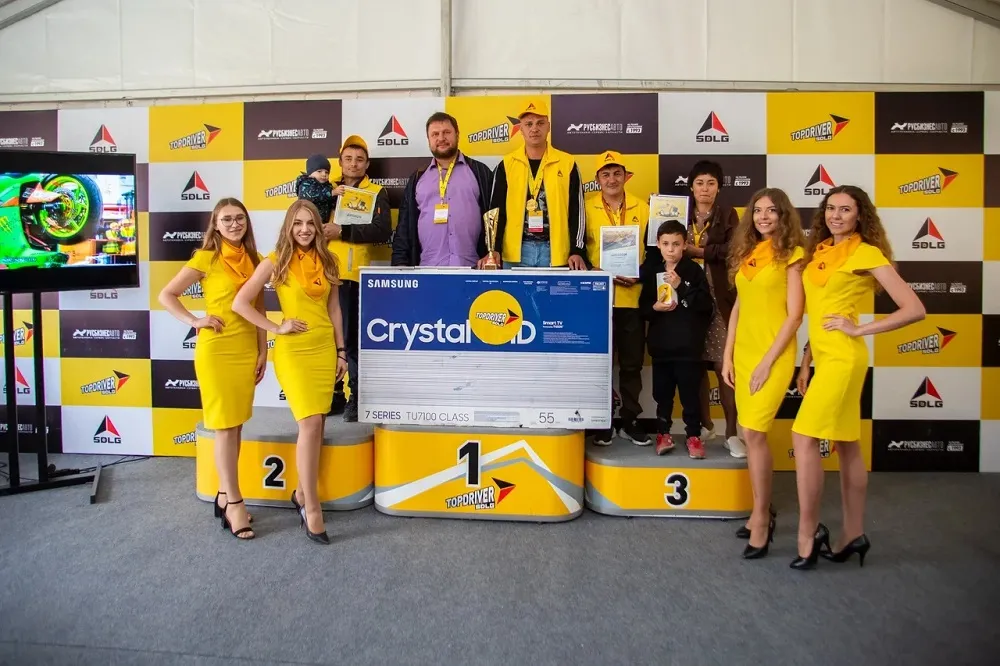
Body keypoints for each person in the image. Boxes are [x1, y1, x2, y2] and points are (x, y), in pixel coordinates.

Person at [790, 185, 924, 570]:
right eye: (830, 208)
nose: (835, 215)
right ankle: (853, 534)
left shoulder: (866, 252)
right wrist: (806, 361)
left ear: (860, 215)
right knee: (848, 445)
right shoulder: (820, 252)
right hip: (824, 357)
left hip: (845, 360)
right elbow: (819, 313)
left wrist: (859, 329)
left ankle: (808, 534)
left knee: (803, 437)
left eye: (845, 209)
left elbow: (914, 308)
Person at [232, 200, 348, 546]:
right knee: (310, 424)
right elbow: (240, 303)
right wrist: (275, 327)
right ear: (288, 226)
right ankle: (312, 508)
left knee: (319, 423)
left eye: (310, 223)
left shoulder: (329, 259)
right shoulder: (275, 260)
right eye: (298, 223)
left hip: (324, 349)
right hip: (294, 353)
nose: (305, 230)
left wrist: (341, 351)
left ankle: (300, 493)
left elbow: (334, 309)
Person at [157, 198, 265, 540]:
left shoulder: (255, 259)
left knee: (236, 425)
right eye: (227, 219)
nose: (235, 224)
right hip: (217, 351)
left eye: (240, 218)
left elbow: (259, 309)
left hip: (246, 350)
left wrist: (263, 350)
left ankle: (222, 493)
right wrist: (195, 320)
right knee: (224, 428)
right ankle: (234, 502)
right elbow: (167, 295)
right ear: (215, 224)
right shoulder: (206, 258)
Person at [721, 188, 806, 559]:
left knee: (755, 433)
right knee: (749, 433)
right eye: (758, 211)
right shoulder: (749, 252)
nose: (764, 217)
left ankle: (760, 519)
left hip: (773, 354)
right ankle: (762, 510)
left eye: (772, 211)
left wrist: (768, 361)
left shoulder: (794, 255)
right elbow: (739, 306)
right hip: (744, 352)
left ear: (783, 215)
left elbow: (795, 315)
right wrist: (727, 355)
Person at [320, 135, 392, 422]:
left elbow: (382, 230)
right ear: (340, 162)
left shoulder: (376, 191)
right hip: (319, 275)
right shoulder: (326, 189)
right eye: (348, 158)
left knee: (349, 339)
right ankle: (333, 394)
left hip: (351, 277)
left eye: (359, 159)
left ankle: (356, 396)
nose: (353, 164)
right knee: (325, 337)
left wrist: (343, 231)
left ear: (367, 164)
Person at [584, 151, 650, 446]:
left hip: (632, 298)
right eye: (605, 174)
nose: (612, 179)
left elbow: (657, 252)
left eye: (617, 173)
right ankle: (603, 421)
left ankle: (631, 419)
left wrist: (641, 274)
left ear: (626, 176)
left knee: (632, 364)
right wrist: (595, 271)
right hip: (598, 299)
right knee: (600, 365)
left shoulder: (643, 208)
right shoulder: (586, 208)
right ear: (598, 179)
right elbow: (577, 252)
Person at [684, 160, 744, 457]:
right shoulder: (679, 212)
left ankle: (732, 432)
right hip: (688, 301)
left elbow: (734, 250)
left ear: (719, 187)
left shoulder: (729, 214)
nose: (705, 189)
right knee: (694, 367)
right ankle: (705, 425)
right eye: (699, 183)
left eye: (711, 183)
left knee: (723, 367)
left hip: (720, 299)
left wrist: (698, 251)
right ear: (691, 187)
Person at [639, 220, 714, 458]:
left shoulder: (693, 271)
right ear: (658, 245)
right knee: (663, 395)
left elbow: (705, 306)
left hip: (689, 347)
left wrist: (681, 286)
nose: (671, 249)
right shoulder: (652, 271)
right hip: (662, 346)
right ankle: (663, 433)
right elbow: (643, 308)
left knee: (690, 396)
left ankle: (693, 435)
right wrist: (655, 308)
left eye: (676, 244)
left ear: (684, 245)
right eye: (666, 244)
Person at [488, 99, 588, 269]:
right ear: (520, 129)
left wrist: (577, 250)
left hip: (556, 253)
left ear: (548, 127)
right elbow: (496, 211)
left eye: (540, 123)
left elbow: (577, 211)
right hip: (515, 253)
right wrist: (494, 249)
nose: (534, 129)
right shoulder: (506, 164)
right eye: (529, 124)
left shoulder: (567, 163)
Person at [392, 112, 495, 267]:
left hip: (472, 268)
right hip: (427, 269)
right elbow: (404, 228)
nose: (441, 138)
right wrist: (400, 264)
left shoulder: (480, 172)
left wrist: (492, 253)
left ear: (457, 135)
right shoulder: (417, 178)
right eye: (435, 134)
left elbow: (495, 218)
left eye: (447, 132)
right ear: (428, 139)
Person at [296, 154, 335, 224]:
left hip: (323, 223)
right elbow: (312, 195)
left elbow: (331, 202)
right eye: (319, 171)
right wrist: (332, 193)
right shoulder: (305, 184)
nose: (324, 174)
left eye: (326, 172)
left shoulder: (328, 186)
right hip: (308, 221)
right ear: (310, 173)